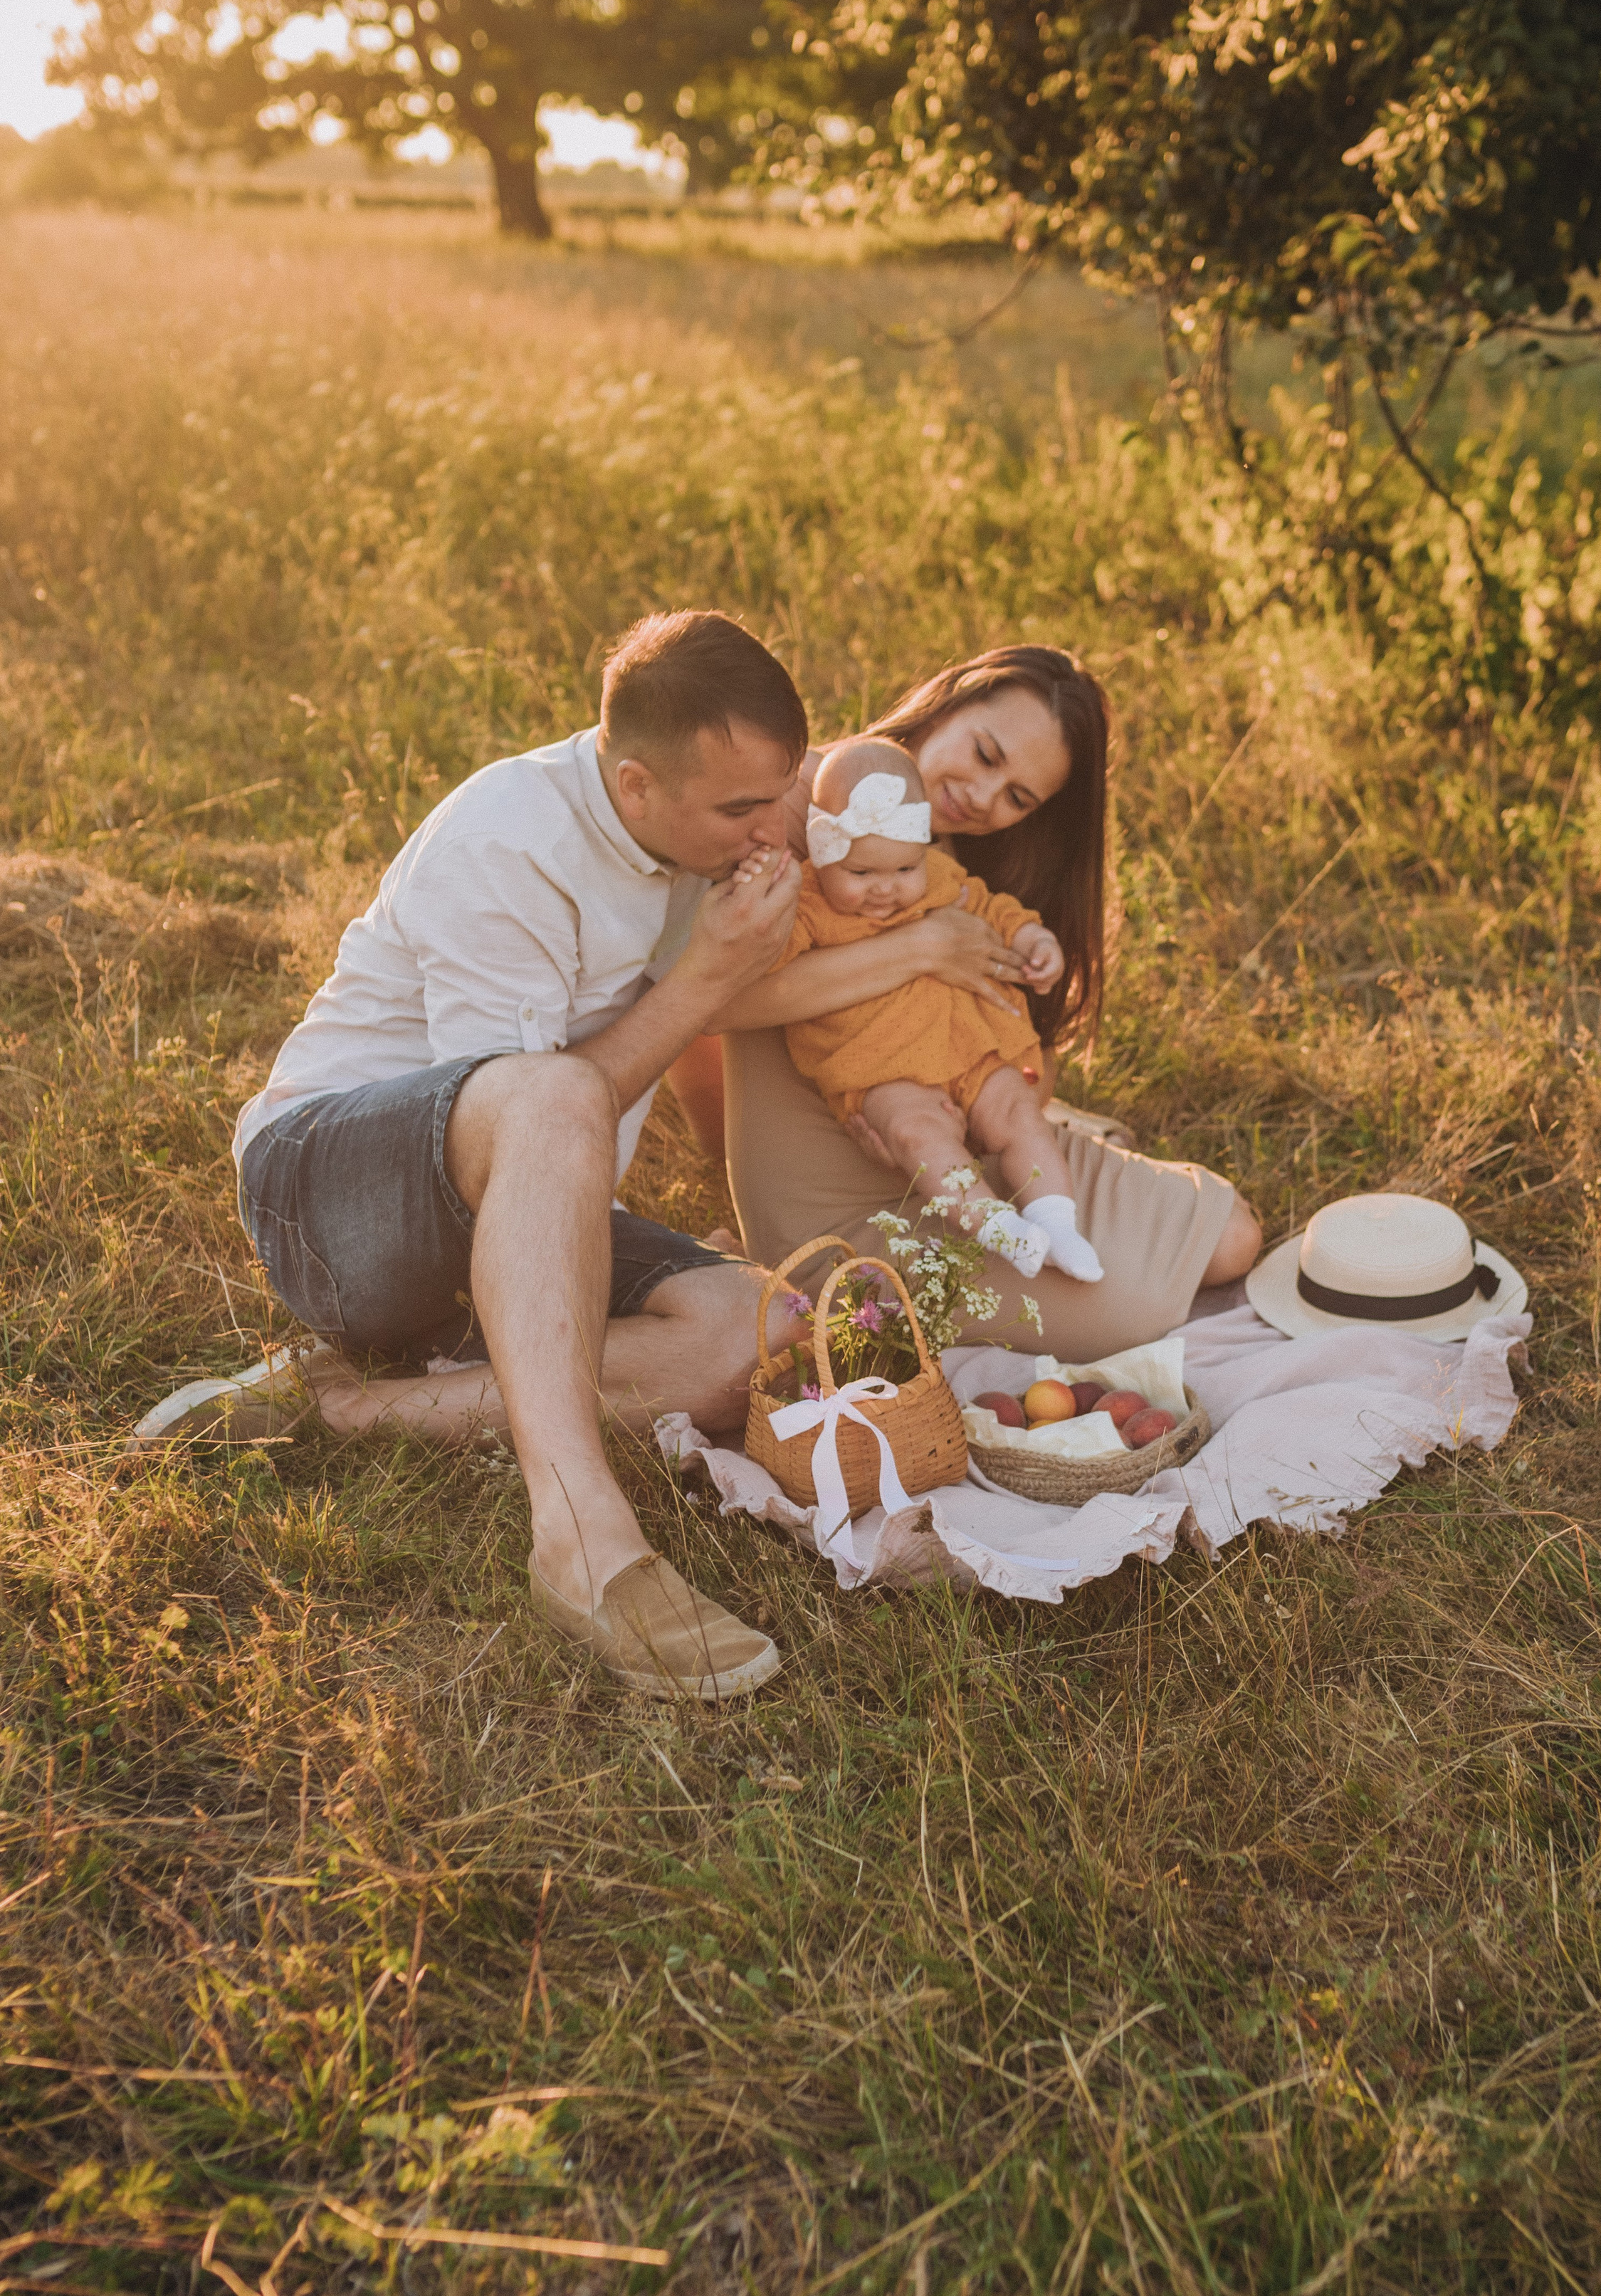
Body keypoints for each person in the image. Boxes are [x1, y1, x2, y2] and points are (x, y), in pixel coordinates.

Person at [143, 609, 811, 1704]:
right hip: (326, 1200)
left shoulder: (720, 814)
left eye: (776, 792)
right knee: (549, 1089)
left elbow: (877, 786)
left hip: (524, 1199)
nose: (768, 827)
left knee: (761, 1330)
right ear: (637, 787)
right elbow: (524, 1118)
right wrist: (706, 981)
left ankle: (343, 1407)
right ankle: (582, 1536)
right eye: (742, 807)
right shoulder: (511, 842)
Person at [699, 645, 1263, 1359]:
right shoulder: (798, 801)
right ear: (947, 703)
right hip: (844, 1198)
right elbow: (710, 1002)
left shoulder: (964, 861)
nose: (983, 797)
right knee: (1136, 1304)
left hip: (961, 1147)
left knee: (1232, 1238)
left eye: (1018, 797)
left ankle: (1047, 1170)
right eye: (985, 753)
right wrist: (922, 947)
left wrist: (1003, 1105)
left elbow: (1031, 1050)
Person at [779, 737, 1103, 1281]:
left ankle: (1058, 1223)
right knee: (915, 1135)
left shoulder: (937, 876)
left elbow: (991, 908)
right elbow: (770, 965)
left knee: (1019, 1113)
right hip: (882, 1067)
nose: (886, 888)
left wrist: (1032, 939)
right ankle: (996, 1226)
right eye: (861, 874)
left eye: (904, 869)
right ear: (822, 851)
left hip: (966, 1045)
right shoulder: (806, 905)